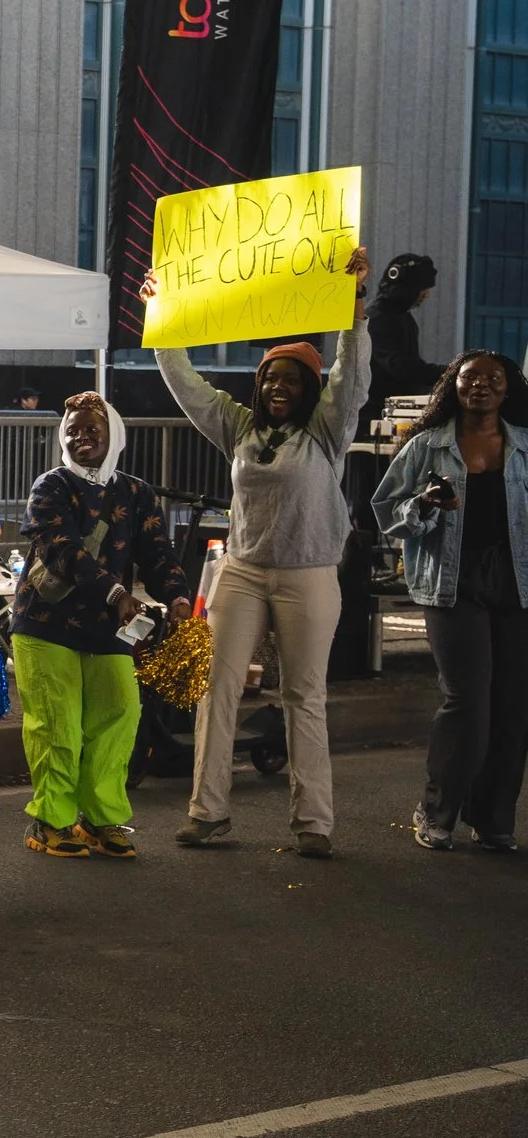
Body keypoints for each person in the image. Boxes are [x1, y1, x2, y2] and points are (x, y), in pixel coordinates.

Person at [147, 248, 370, 857]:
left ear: (310, 388)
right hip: (242, 573)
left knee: (305, 696)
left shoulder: (328, 430)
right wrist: (161, 316)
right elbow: (187, 386)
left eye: (290, 379)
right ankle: (207, 811)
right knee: (215, 688)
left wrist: (355, 308)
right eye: (270, 377)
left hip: (309, 576)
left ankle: (313, 823)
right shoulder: (239, 426)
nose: (277, 387)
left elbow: (352, 379)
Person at [9, 393, 191, 859]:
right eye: (72, 429)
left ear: (114, 435)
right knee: (57, 725)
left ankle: (100, 817)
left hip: (108, 627)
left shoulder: (137, 493)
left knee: (120, 714)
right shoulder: (51, 486)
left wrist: (178, 598)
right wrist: (115, 593)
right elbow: (62, 550)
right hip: (46, 624)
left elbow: (157, 552)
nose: (81, 437)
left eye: (92, 429)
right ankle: (51, 821)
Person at [373, 349, 528, 852]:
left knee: (512, 704)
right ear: (453, 385)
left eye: (493, 378)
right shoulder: (427, 446)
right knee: (468, 701)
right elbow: (387, 512)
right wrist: (423, 503)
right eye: (469, 377)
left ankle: (493, 818)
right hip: (451, 580)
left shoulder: (524, 445)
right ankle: (437, 811)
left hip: (516, 582)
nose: (480, 385)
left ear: (509, 387)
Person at [364, 254, 441, 419]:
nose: (426, 294)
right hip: (374, 414)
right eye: (423, 288)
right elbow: (401, 368)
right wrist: (446, 373)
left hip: (392, 411)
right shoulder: (378, 318)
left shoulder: (401, 316)